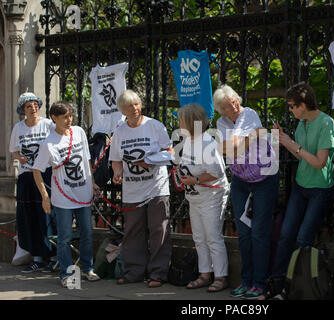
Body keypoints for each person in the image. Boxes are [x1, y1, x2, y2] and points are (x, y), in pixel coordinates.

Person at [263, 82, 334, 300]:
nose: (290, 109)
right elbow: (300, 156)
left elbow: (319, 162)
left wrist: (291, 144)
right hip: (300, 186)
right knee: (286, 235)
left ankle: (294, 288)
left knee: (304, 239)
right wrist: (285, 141)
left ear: (304, 104)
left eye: (293, 106)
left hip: (320, 189)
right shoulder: (302, 123)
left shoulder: (326, 123)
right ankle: (276, 284)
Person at [213, 84, 279, 299]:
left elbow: (232, 147)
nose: (234, 106)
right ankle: (246, 280)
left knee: (259, 232)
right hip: (240, 180)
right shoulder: (221, 122)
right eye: (227, 105)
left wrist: (236, 145)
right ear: (221, 110)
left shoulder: (249, 113)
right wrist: (249, 139)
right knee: (243, 233)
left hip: (264, 178)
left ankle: (259, 283)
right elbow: (225, 149)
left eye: (234, 100)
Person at [33, 101, 101, 287]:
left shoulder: (78, 132)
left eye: (70, 116)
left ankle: (87, 268)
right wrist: (45, 197)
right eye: (64, 117)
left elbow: (87, 158)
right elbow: (36, 170)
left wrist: (93, 182)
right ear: (54, 118)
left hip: (83, 193)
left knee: (87, 232)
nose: (69, 120)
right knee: (64, 237)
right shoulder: (48, 143)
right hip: (63, 197)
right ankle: (66, 273)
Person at [109, 89, 172, 288]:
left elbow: (169, 152)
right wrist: (117, 173)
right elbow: (116, 160)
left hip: (156, 188)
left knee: (158, 230)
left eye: (136, 104)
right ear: (122, 110)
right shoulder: (119, 131)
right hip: (133, 190)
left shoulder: (154, 126)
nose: (134, 109)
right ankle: (133, 272)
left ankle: (158, 273)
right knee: (133, 232)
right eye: (129, 106)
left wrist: (150, 161)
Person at [175, 103, 230, 292]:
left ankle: (221, 277)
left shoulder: (207, 143)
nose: (178, 122)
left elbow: (218, 172)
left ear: (190, 122)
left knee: (213, 237)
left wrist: (195, 179)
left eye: (181, 119)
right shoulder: (188, 139)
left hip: (211, 196)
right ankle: (204, 274)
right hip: (195, 198)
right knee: (199, 237)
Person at [9, 92, 55, 273]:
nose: (33, 108)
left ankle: (52, 256)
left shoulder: (48, 125)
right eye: (29, 106)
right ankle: (37, 257)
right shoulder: (18, 128)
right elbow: (13, 150)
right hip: (27, 177)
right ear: (23, 110)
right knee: (30, 216)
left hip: (46, 174)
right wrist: (19, 157)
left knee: (48, 216)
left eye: (35, 105)